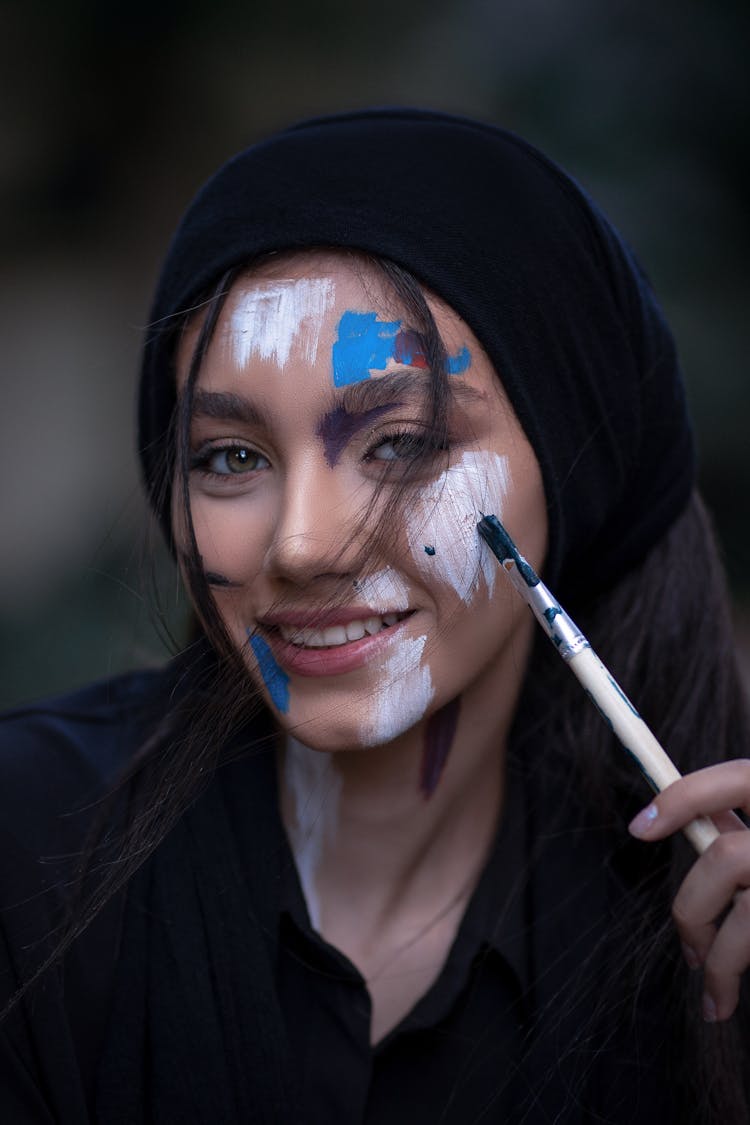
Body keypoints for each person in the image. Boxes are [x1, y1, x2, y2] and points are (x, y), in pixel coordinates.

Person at [1, 108, 749, 1124]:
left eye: (403, 443)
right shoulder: (25, 854)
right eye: (232, 458)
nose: (302, 544)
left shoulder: (697, 939)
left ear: (575, 474)